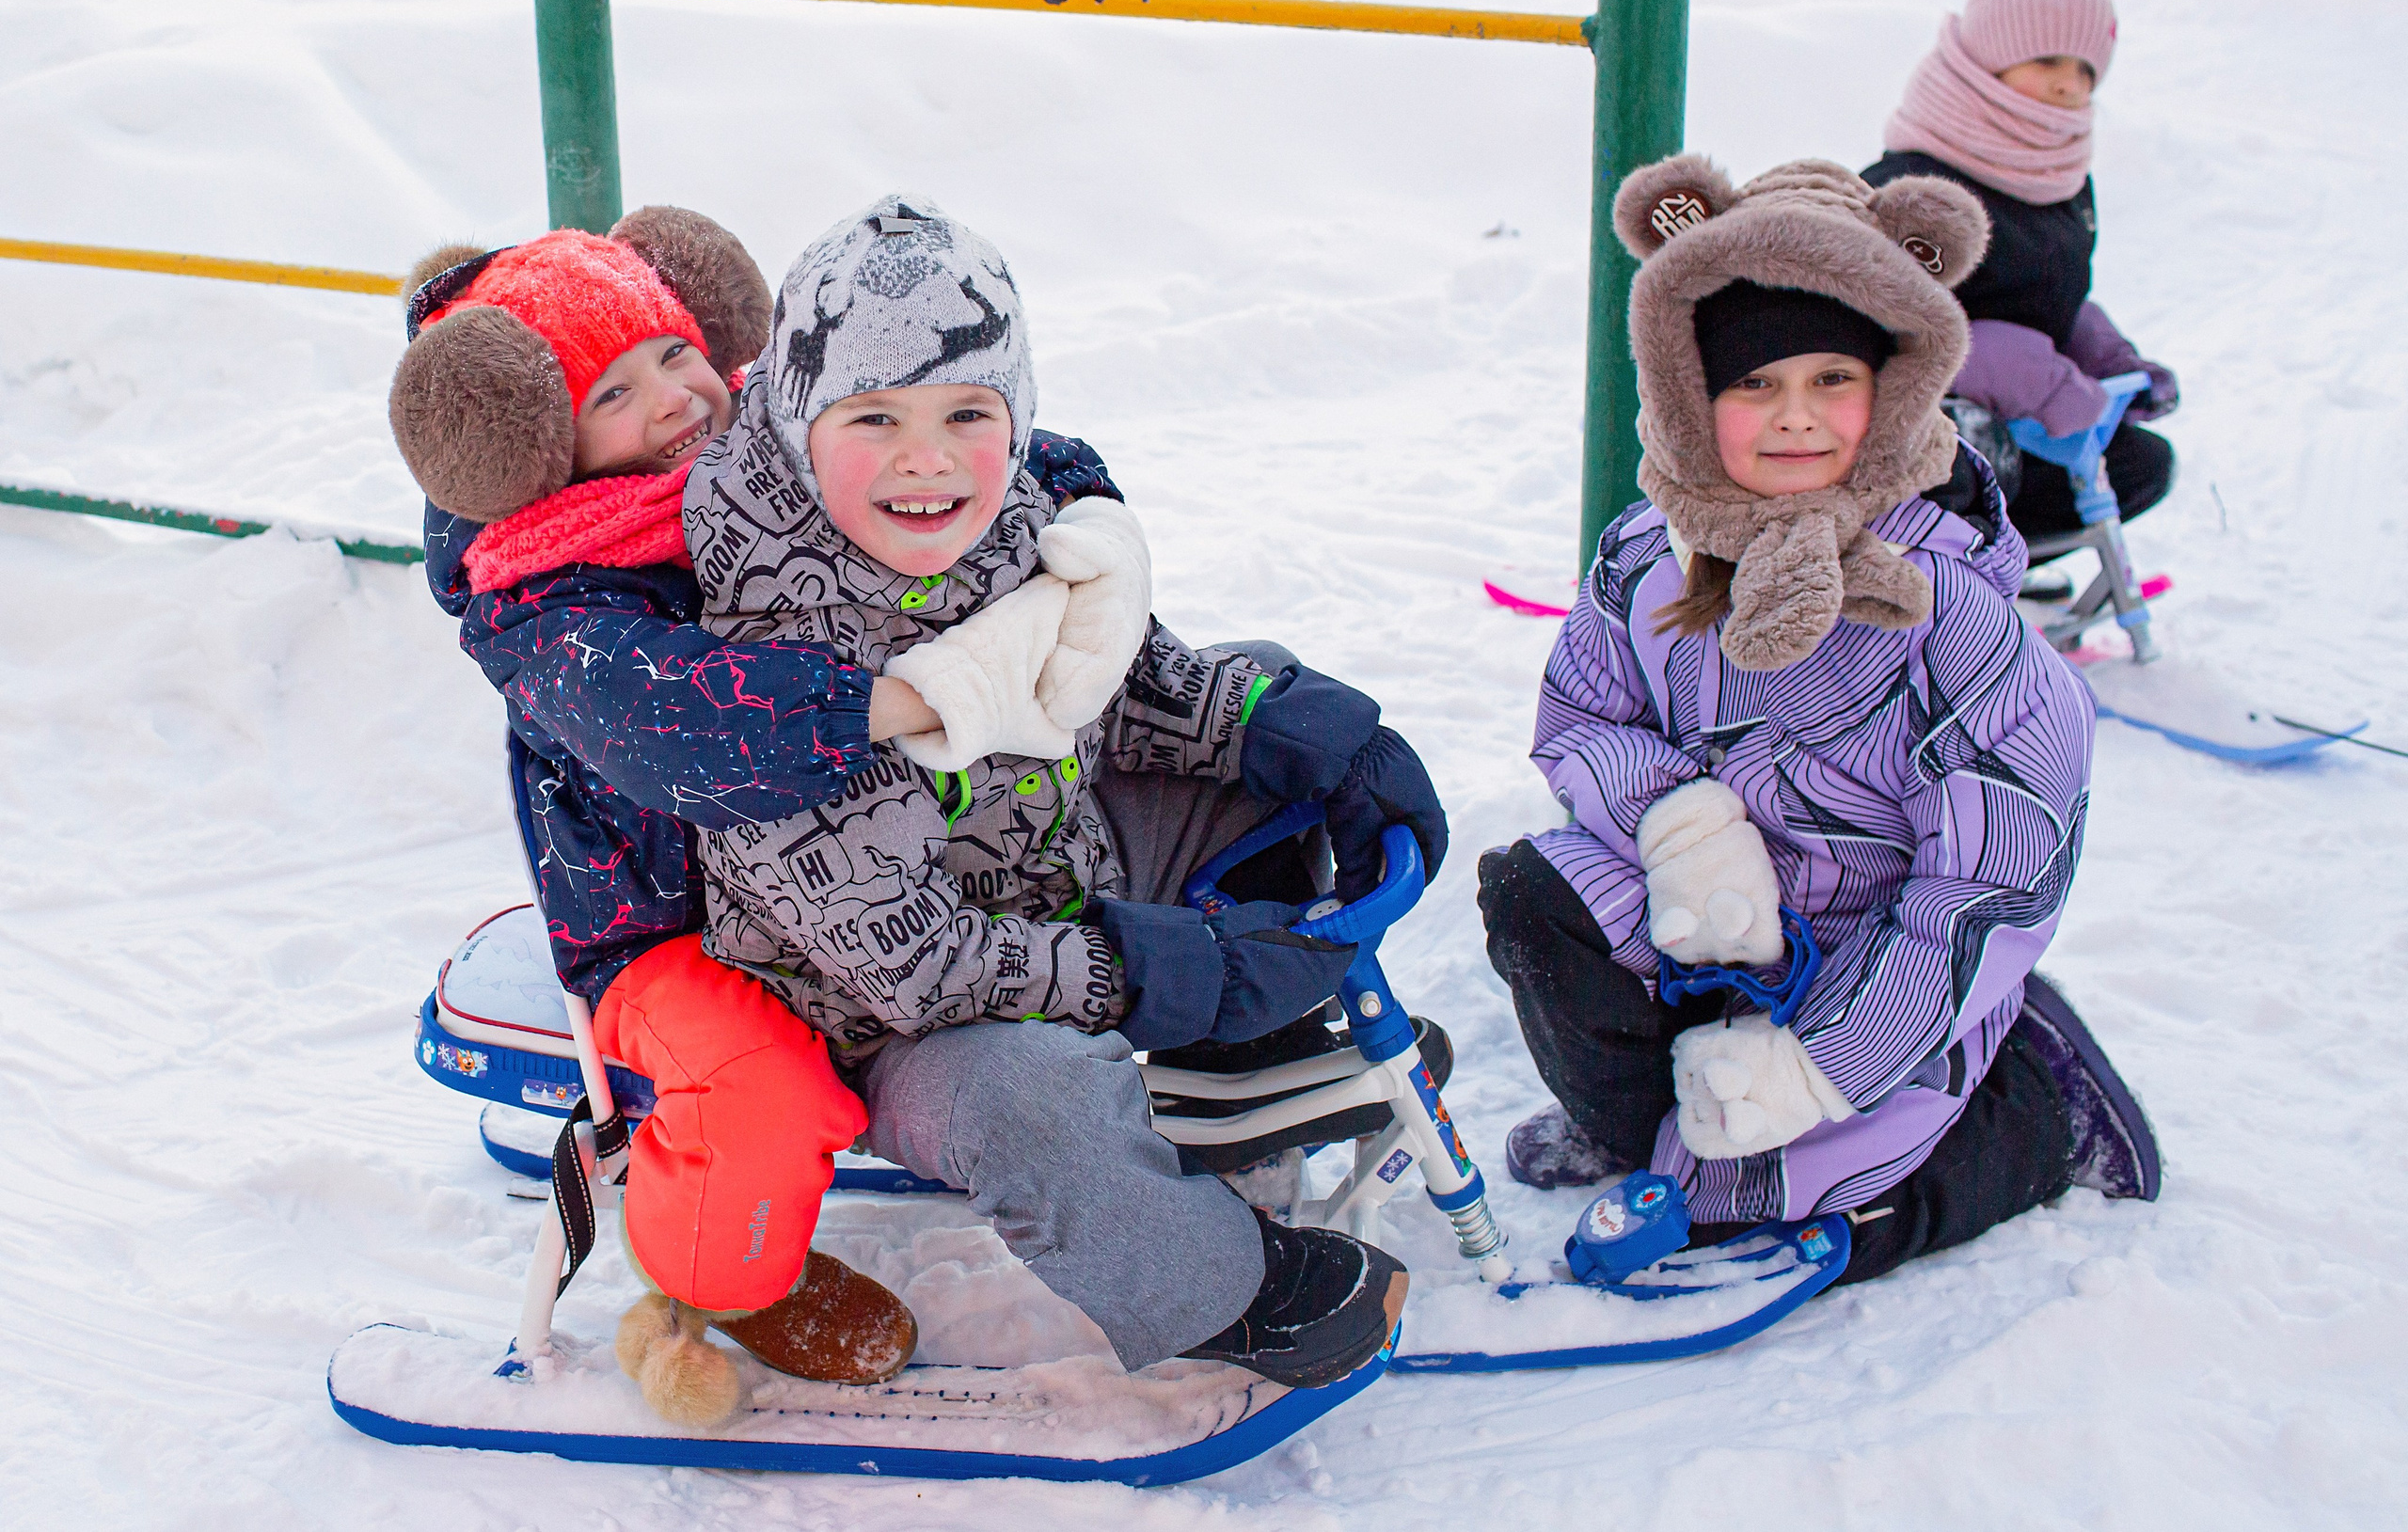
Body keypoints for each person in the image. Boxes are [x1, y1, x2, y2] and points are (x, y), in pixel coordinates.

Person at [682, 194, 1450, 1389]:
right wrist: (1147, 967)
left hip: (1058, 871)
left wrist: (1313, 740)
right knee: (1029, 1100)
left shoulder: (1009, 528)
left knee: (1258, 698)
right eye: (872, 416)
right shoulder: (772, 678)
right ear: (795, 427)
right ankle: (1227, 1291)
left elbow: (1128, 687)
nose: (925, 457)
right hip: (886, 1029)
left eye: (966, 413)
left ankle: (1248, 1051)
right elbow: (914, 966)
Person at [388, 210, 1117, 1422]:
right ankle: (713, 1279)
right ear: (539, 446)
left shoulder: (757, 434)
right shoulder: (543, 600)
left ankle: (1232, 1044)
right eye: (615, 392)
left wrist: (1086, 508)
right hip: (668, 921)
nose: (675, 397)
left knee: (1070, 838)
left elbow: (940, 421)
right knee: (763, 1089)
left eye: (676, 352)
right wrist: (903, 697)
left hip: (853, 851)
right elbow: (692, 722)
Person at [1481, 154, 2159, 1288]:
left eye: (1830, 379)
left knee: (1785, 1208)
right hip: (1711, 931)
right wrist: (1684, 827)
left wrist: (1817, 1066)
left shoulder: (1952, 615)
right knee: (1535, 898)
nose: (1792, 419)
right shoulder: (1646, 559)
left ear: (1894, 387)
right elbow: (1579, 719)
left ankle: (2038, 1108)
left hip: (1886, 964)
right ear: (1692, 395)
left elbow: (1982, 886)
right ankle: (1646, 1118)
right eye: (1752, 386)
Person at [1863, 0, 2178, 569]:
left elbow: (2049, 289)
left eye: (2088, 68)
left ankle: (1997, 574)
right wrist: (1988, 359)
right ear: (1991, 55)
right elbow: (1859, 339)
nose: (2070, 83)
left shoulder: (2059, 180)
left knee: (2139, 464)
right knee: (1973, 462)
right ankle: (1934, 596)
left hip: (2017, 426)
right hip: (1910, 446)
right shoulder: (1914, 186)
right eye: (2048, 58)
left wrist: (2103, 351)